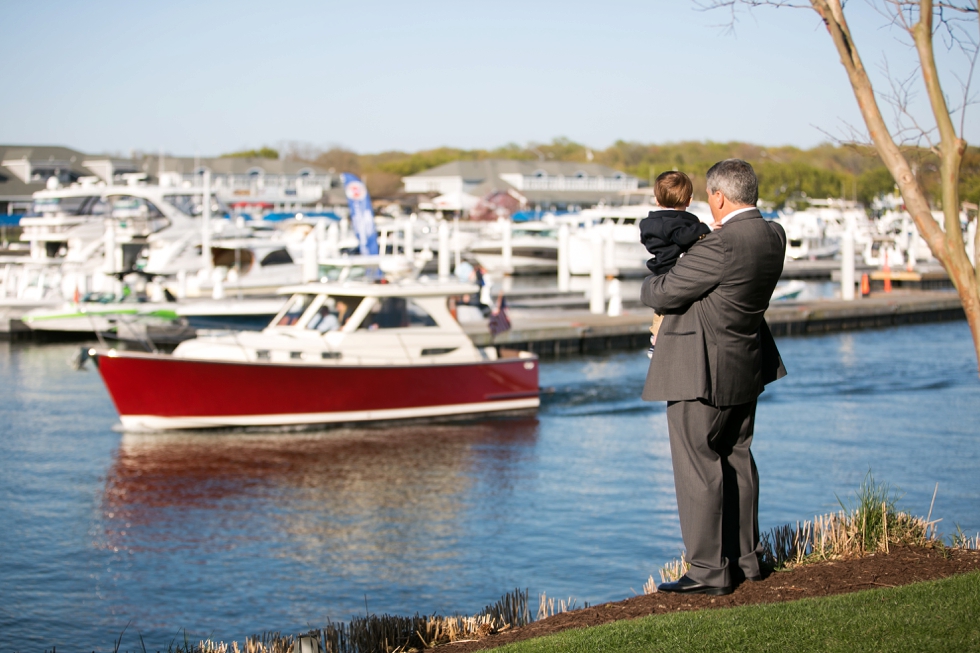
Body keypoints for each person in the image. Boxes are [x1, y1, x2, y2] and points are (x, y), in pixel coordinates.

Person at [641, 159, 787, 596]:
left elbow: (661, 290)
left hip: (700, 369)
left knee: (697, 465)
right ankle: (745, 560)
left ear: (719, 197)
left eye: (709, 195)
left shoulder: (719, 246)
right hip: (746, 363)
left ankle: (708, 570)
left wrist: (652, 283)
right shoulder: (773, 235)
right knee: (737, 458)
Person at [639, 171, 711, 357]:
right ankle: (659, 341)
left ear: (656, 200)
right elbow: (682, 237)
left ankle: (655, 339)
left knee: (660, 310)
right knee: (670, 309)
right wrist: (702, 228)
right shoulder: (681, 223)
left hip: (658, 269)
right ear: (689, 200)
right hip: (675, 269)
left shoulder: (649, 222)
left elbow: (646, 240)